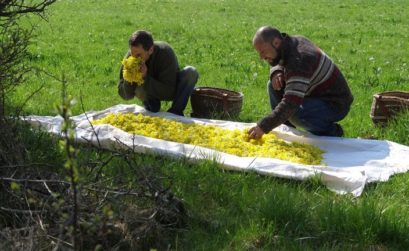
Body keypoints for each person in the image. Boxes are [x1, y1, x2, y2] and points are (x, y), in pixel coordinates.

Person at [248, 26, 353, 139]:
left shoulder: (299, 61)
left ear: (276, 42)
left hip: (335, 103)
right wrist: (276, 71)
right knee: (273, 85)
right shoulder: (291, 42)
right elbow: (278, 59)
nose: (261, 57)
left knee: (296, 115)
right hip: (313, 93)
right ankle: (286, 128)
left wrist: (263, 126)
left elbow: (291, 104)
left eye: (263, 51)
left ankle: (333, 132)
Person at [118, 30, 199, 116]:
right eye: (132, 54)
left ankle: (175, 112)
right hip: (149, 90)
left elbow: (168, 91)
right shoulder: (131, 56)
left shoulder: (165, 52)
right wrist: (129, 77)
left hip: (169, 87)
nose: (135, 58)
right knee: (140, 88)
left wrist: (145, 77)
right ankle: (151, 106)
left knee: (191, 72)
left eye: (139, 55)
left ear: (150, 50)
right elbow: (125, 95)